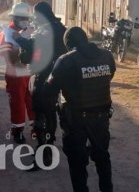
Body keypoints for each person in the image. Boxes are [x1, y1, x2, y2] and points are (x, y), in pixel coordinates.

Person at [47, 27, 115, 192]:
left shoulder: (66, 60)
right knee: (102, 156)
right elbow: (110, 74)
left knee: (77, 161)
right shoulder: (106, 55)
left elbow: (50, 88)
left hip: (76, 119)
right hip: (102, 116)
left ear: (68, 44)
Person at [14, 2, 66, 166]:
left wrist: (20, 39)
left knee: (42, 112)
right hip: (57, 74)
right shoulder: (60, 26)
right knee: (50, 111)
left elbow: (34, 44)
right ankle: (48, 146)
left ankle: (44, 152)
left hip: (43, 75)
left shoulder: (45, 29)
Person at [0, 2, 35, 144]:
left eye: (27, 17)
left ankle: (35, 128)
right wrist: (19, 43)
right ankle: (18, 131)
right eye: (21, 17)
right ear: (14, 17)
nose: (25, 20)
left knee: (32, 101)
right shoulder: (6, 33)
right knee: (17, 102)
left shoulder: (30, 29)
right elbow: (6, 55)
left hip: (30, 72)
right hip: (15, 72)